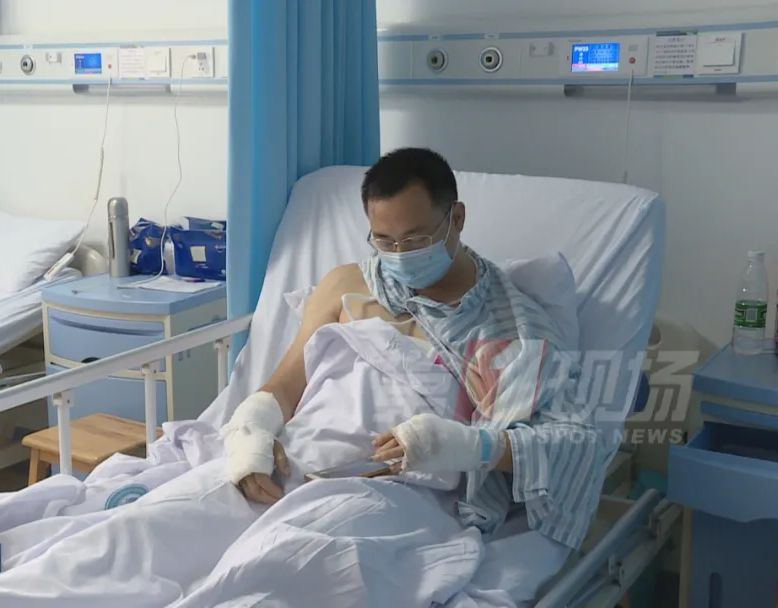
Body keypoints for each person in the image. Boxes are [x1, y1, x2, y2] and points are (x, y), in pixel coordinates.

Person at [221, 147, 607, 552]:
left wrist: (466, 446)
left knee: (285, 557)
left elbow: (576, 446)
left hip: (390, 491)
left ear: (457, 218)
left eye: (415, 240)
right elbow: (284, 386)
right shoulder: (345, 285)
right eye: (384, 242)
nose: (400, 256)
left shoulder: (511, 330)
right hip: (290, 461)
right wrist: (250, 433)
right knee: (177, 520)